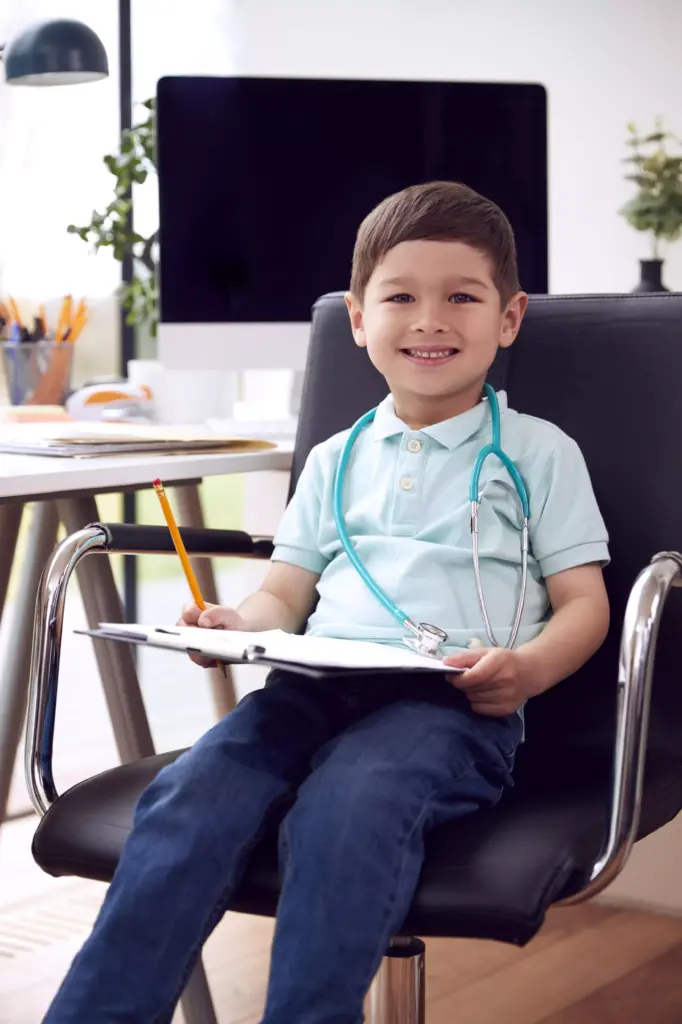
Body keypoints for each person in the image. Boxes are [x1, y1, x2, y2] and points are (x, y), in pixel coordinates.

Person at [43, 181, 610, 1023]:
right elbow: (283, 592)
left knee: (353, 804)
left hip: (449, 707)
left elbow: (586, 603)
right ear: (357, 318)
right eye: (401, 298)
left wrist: (523, 670)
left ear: (509, 318)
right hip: (309, 691)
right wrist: (236, 625)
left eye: (462, 297)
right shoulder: (333, 460)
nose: (430, 320)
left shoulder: (538, 453)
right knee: (192, 796)